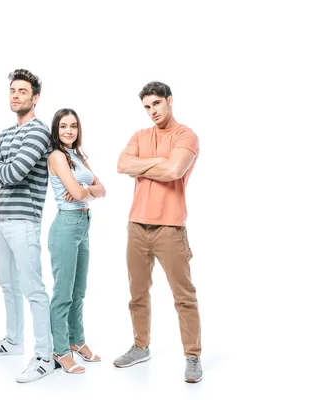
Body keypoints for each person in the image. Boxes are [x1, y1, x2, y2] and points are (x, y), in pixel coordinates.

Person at [114, 81, 203, 383]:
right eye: (147, 107)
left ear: (169, 101)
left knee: (184, 296)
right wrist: (158, 163)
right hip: (136, 224)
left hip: (170, 226)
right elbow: (122, 164)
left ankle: (192, 356)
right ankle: (141, 346)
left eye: (156, 104)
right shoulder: (140, 135)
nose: (152, 111)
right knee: (137, 293)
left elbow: (174, 171)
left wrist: (143, 166)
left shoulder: (185, 135)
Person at [0, 69, 55, 383]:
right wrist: (4, 169)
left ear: (35, 97)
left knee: (32, 288)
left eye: (22, 91)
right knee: (7, 284)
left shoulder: (39, 132)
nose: (16, 95)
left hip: (25, 220)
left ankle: (44, 356)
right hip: (1, 217)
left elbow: (12, 173)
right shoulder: (4, 134)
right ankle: (14, 341)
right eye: (13, 90)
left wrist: (4, 169)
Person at [46, 108, 106, 374]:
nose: (69, 131)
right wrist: (86, 191)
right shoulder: (57, 156)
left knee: (79, 290)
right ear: (56, 130)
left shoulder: (78, 155)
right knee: (63, 293)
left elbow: (100, 189)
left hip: (84, 223)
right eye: (63, 126)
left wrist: (87, 192)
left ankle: (76, 340)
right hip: (66, 227)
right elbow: (76, 191)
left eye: (73, 126)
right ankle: (60, 350)